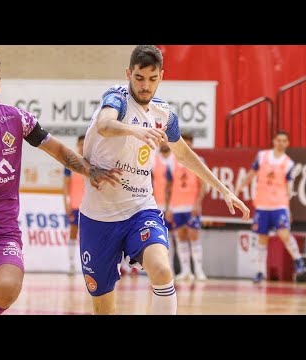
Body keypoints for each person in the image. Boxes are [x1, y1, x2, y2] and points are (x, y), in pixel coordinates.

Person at [0, 50, 121, 315]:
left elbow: (57, 150)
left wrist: (89, 170)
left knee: (7, 289)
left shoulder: (17, 119)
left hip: (2, 227)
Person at [79, 45, 250, 315]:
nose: (145, 85)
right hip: (99, 216)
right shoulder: (117, 98)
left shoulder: (164, 115)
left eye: (152, 78)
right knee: (103, 308)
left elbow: (183, 154)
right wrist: (136, 130)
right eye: (139, 77)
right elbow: (104, 124)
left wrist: (223, 190)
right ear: (128, 74)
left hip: (140, 207)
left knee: (161, 269)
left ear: (161, 76)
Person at [234, 130, 305, 283]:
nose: (280, 143)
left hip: (279, 204)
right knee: (261, 239)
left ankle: (298, 260)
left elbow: (288, 188)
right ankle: (260, 272)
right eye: (278, 140)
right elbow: (251, 174)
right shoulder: (262, 156)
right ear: (274, 141)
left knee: (284, 234)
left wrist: (288, 209)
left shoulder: (288, 163)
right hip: (262, 205)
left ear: (287, 143)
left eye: (284, 141)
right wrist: (239, 188)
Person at [164, 132, 208, 281]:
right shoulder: (172, 161)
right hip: (177, 206)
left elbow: (203, 186)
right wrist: (168, 207)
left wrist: (198, 204)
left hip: (191, 206)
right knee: (181, 237)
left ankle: (199, 271)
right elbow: (169, 187)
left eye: (190, 144)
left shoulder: (199, 160)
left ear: (192, 145)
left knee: (194, 237)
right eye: (185, 143)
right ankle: (185, 271)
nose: (187, 146)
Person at [63, 134, 85, 275]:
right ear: (77, 145)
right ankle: (71, 264)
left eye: (85, 143)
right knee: (73, 233)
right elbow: (64, 186)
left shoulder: (92, 162)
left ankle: (87, 265)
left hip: (89, 207)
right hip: (75, 205)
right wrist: (66, 204)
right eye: (80, 144)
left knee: (87, 236)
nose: (82, 146)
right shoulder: (70, 163)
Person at [152, 142, 175, 271]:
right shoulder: (153, 160)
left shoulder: (176, 159)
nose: (163, 143)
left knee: (173, 237)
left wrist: (169, 206)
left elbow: (172, 185)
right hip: (156, 205)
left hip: (174, 205)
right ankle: (164, 268)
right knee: (160, 238)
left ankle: (174, 269)